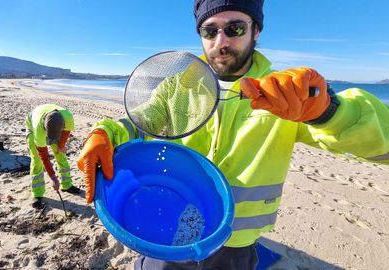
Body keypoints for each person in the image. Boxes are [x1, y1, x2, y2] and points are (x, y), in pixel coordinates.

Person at [77, 0, 389, 269]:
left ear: (257, 30)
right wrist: (105, 132)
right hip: (166, 230)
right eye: (209, 31)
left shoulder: (285, 94)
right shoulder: (178, 86)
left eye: (235, 28)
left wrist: (328, 110)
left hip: (236, 243)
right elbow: (141, 122)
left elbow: (380, 147)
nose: (221, 41)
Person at [26, 104, 81, 209]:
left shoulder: (68, 117)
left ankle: (67, 185)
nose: (50, 141)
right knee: (37, 161)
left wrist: (61, 146)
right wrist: (53, 178)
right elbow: (44, 157)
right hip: (33, 126)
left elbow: (66, 133)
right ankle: (37, 194)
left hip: (53, 124)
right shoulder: (39, 131)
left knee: (61, 155)